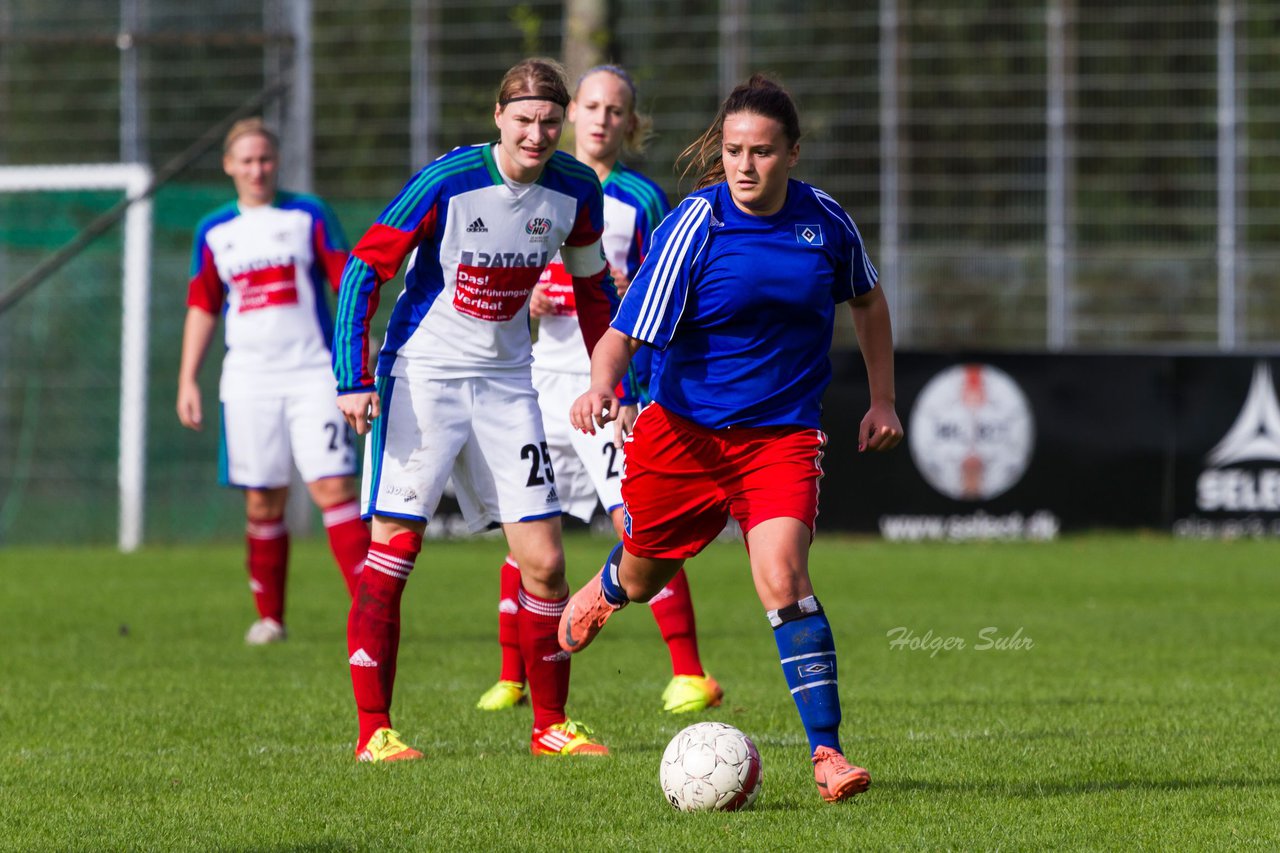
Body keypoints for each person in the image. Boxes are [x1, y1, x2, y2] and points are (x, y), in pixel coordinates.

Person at [557, 75, 903, 803]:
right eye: (734, 151)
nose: (746, 166)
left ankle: (827, 753)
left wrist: (881, 399)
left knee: (782, 575)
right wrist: (601, 387)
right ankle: (613, 582)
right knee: (647, 573)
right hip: (685, 437)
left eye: (763, 152)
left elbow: (868, 300)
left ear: (793, 153)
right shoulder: (697, 223)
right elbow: (624, 331)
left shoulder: (825, 222)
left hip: (780, 439)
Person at [332, 58, 617, 763]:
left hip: (506, 385)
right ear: (498, 117)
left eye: (551, 121)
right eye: (524, 119)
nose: (538, 133)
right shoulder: (446, 181)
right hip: (422, 378)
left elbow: (594, 293)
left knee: (545, 563)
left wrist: (618, 382)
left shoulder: (577, 188)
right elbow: (365, 267)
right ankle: (375, 732)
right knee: (394, 552)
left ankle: (550, 724)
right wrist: (351, 375)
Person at [476, 64, 723, 716]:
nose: (602, 118)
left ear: (630, 124)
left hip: (608, 386)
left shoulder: (639, 200)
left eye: (617, 110)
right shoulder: (528, 189)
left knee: (641, 520)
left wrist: (635, 372)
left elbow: (669, 287)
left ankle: (690, 671)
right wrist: (521, 298)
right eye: (592, 105)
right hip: (533, 383)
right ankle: (514, 673)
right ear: (571, 113)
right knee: (525, 531)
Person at [177, 118, 370, 645]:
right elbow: (203, 305)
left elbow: (346, 281)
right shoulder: (215, 230)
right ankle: (270, 618)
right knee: (263, 499)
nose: (256, 169)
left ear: (276, 161)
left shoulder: (308, 214)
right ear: (229, 165)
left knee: (333, 487)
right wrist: (187, 378)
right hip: (247, 381)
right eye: (246, 160)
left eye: (264, 159)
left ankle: (370, 610)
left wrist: (360, 350)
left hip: (314, 374)